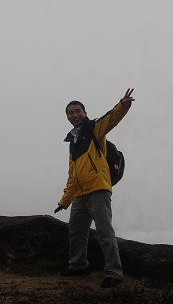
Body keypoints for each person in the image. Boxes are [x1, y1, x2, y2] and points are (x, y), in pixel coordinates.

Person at [54, 88, 135, 288]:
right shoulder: (72, 142)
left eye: (78, 111)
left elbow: (111, 119)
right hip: (79, 195)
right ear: (67, 117)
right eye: (71, 112)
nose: (75, 114)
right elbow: (73, 176)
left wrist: (123, 105)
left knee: (104, 232)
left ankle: (114, 273)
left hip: (98, 190)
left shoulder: (94, 129)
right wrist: (64, 202)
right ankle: (78, 266)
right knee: (76, 231)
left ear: (85, 113)